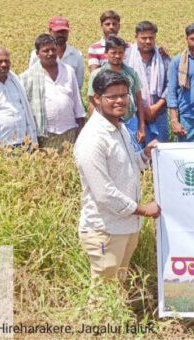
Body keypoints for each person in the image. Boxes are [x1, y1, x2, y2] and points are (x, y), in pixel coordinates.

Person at [75, 70, 160, 281]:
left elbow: (128, 166)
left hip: (126, 226)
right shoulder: (92, 138)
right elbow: (104, 193)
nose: (120, 101)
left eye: (124, 95)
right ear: (97, 99)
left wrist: (145, 154)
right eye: (112, 96)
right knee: (104, 293)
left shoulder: (120, 128)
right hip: (105, 230)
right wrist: (144, 210)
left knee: (118, 285)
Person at [20, 34, 86, 150]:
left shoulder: (68, 71)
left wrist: (81, 128)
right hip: (44, 135)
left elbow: (77, 101)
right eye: (46, 51)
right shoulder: (27, 77)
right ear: (37, 54)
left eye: (53, 50)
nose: (50, 53)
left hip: (69, 131)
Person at [87, 36, 146, 148]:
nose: (117, 56)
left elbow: (139, 100)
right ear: (105, 53)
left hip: (130, 121)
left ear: (124, 54)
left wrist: (141, 126)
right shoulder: (97, 74)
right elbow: (92, 102)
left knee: (134, 156)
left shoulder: (131, 73)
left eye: (120, 52)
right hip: (107, 123)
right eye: (113, 52)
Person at [125, 21, 170, 146]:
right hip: (134, 115)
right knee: (138, 155)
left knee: (160, 153)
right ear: (136, 37)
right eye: (143, 38)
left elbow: (170, 85)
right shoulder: (127, 57)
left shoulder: (163, 58)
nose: (148, 41)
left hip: (159, 114)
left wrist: (156, 107)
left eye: (151, 38)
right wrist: (142, 111)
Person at [28, 16, 86, 91]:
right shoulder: (37, 55)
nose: (61, 35)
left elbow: (78, 85)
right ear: (50, 31)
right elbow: (32, 80)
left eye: (64, 31)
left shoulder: (77, 55)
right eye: (58, 31)